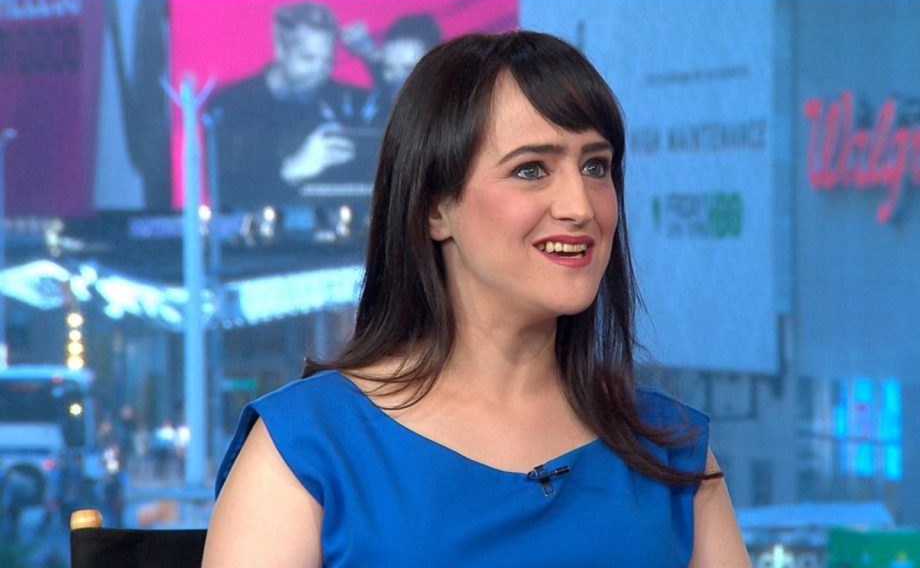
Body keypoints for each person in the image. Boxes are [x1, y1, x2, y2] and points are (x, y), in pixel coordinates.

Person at [203, 31, 749, 567]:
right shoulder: (309, 443)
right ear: (434, 208)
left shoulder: (670, 447)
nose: (580, 206)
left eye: (595, 166)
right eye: (531, 170)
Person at [207, 1, 378, 213]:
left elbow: (392, 115)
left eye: (328, 61)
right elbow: (226, 194)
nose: (320, 71)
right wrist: (293, 170)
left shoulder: (341, 98)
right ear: (280, 49)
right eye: (308, 58)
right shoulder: (232, 105)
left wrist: (373, 60)